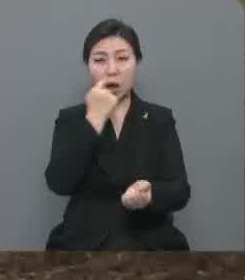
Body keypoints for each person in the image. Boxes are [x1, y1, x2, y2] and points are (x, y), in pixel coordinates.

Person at [44, 18, 191, 250]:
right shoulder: (71, 119)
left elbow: (180, 190)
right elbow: (59, 183)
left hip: (149, 240)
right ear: (88, 65)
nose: (112, 70)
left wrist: (149, 194)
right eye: (100, 60)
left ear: (137, 62)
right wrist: (93, 119)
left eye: (122, 58)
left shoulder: (159, 118)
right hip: (85, 242)